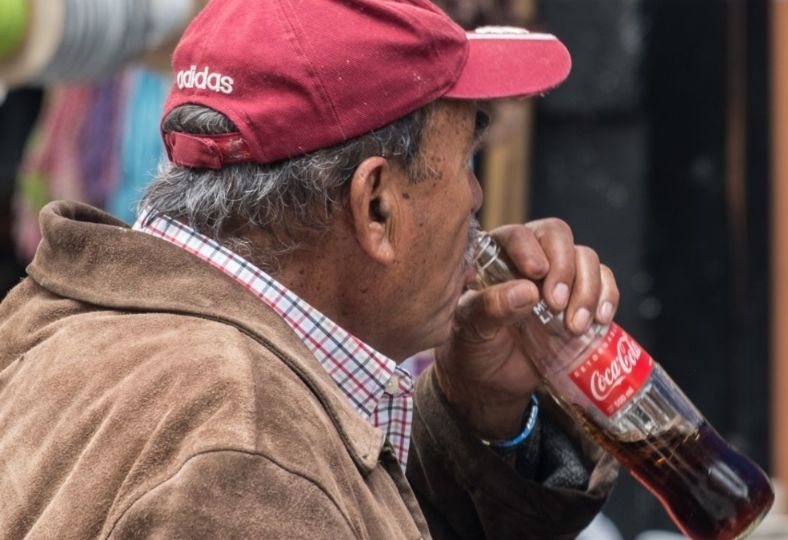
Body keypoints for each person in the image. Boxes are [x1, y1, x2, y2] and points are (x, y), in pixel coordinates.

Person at [0, 0, 621, 537]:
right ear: (376, 205)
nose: (476, 200)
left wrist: (474, 414)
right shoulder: (248, 459)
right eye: (464, 162)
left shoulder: (61, 328)